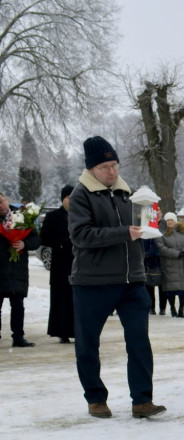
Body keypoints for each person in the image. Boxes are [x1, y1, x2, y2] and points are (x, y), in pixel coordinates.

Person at [68, 135, 165, 419]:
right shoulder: (81, 195)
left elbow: (141, 226)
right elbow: (81, 235)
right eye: (104, 167)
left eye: (114, 165)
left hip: (132, 281)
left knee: (139, 341)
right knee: (88, 344)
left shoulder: (128, 193)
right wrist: (125, 233)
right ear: (91, 169)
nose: (111, 172)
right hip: (92, 281)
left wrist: (151, 222)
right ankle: (96, 399)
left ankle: (142, 401)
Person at [0, 192, 41, 347]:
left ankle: (18, 337)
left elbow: (36, 239)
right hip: (1, 268)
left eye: (2, 201)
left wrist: (24, 244)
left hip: (17, 268)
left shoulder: (22, 216)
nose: (1, 206)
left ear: (6, 200)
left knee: (18, 304)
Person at [39, 185, 76, 343]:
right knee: (61, 300)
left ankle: (78, 331)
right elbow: (44, 238)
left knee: (76, 300)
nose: (70, 200)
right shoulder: (53, 216)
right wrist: (61, 243)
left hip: (78, 264)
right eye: (68, 197)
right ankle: (62, 332)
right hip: (61, 264)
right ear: (63, 199)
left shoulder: (82, 215)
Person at [157, 212, 184, 317]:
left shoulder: (183, 231)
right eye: (168, 220)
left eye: (171, 220)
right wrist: (176, 254)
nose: (170, 222)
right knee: (171, 289)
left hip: (183, 265)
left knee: (183, 289)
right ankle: (172, 308)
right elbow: (161, 248)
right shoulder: (162, 233)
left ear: (175, 221)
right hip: (169, 265)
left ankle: (181, 309)